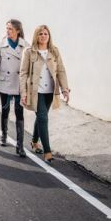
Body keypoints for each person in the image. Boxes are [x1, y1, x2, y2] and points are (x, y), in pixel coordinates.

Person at [20, 25, 70, 163]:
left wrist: (65, 88)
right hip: (36, 92)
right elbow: (23, 73)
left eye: (46, 34)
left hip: (50, 91)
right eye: (40, 33)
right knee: (43, 117)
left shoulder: (54, 51)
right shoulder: (29, 52)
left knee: (42, 116)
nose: (43, 36)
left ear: (49, 36)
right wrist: (23, 92)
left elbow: (61, 70)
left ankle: (35, 142)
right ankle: (47, 151)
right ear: (36, 36)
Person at [0, 19, 29, 157]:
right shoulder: (1, 45)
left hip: (20, 83)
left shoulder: (26, 46)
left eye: (10, 29)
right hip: (5, 82)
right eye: (7, 28)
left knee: (19, 112)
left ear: (18, 31)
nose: (7, 31)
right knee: (5, 109)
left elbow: (29, 64)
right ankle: (4, 135)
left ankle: (20, 145)